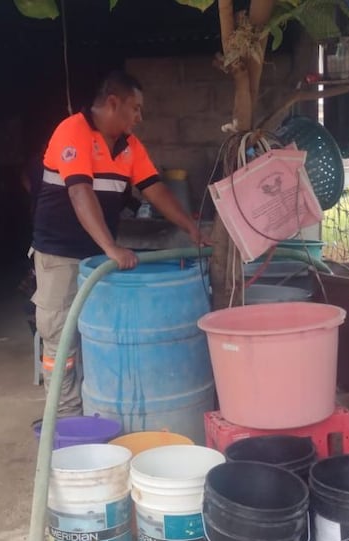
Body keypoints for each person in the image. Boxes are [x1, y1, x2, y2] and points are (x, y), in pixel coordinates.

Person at [31, 70, 207, 416]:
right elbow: (80, 192)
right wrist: (112, 248)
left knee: (97, 334)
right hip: (61, 255)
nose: (140, 118)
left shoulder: (130, 147)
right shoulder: (73, 131)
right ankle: (64, 417)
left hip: (97, 259)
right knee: (60, 337)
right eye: (136, 108)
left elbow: (155, 189)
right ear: (114, 103)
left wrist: (191, 227)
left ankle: (96, 407)